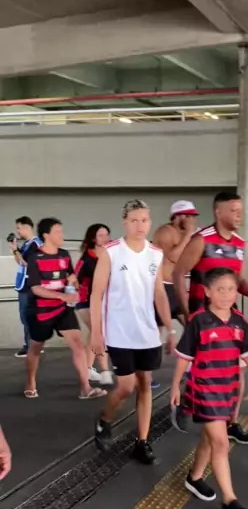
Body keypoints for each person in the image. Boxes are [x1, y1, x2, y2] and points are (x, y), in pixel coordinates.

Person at [171, 267, 248, 509]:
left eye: (231, 289)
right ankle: (230, 500)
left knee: (210, 438)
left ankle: (194, 477)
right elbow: (184, 357)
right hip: (204, 388)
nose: (227, 294)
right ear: (207, 292)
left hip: (228, 388)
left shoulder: (239, 320)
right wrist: (174, 386)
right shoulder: (199, 320)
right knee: (221, 442)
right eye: (220, 289)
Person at [173, 190, 248, 445]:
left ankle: (230, 422)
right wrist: (188, 314)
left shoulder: (240, 244)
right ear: (218, 212)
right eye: (234, 211)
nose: (239, 215)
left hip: (230, 320)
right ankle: (187, 402)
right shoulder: (201, 240)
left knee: (236, 373)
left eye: (240, 211)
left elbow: (239, 281)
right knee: (203, 371)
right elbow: (179, 273)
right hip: (203, 320)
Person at [91, 199, 175, 464]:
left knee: (145, 384)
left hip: (147, 332)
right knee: (126, 386)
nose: (140, 225)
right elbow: (96, 294)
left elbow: (159, 293)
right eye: (135, 220)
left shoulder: (155, 254)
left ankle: (142, 441)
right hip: (118, 332)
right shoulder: (111, 252)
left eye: (145, 220)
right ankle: (105, 419)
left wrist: (170, 328)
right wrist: (96, 332)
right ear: (125, 222)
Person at [24, 218, 106, 401]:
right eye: (58, 231)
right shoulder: (34, 257)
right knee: (36, 348)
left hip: (63, 310)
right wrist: (62, 296)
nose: (62, 235)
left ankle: (85, 388)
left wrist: (74, 283)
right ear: (46, 235)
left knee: (77, 344)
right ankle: (30, 382)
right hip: (40, 311)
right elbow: (36, 288)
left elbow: (71, 276)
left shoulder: (64, 255)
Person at [152, 200, 198, 399]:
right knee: (157, 332)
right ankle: (146, 373)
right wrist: (189, 235)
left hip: (177, 287)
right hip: (161, 286)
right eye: (186, 215)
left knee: (192, 324)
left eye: (192, 216)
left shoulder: (186, 234)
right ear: (176, 216)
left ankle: (189, 366)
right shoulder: (165, 231)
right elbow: (172, 256)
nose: (190, 220)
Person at [74, 223, 113, 386]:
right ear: (93, 239)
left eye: (107, 234)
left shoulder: (112, 254)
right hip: (85, 301)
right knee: (99, 333)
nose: (105, 238)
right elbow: (75, 278)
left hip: (104, 302)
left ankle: (87, 368)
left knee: (94, 335)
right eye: (101, 235)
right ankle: (105, 371)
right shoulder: (86, 258)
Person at [8, 216, 42, 358]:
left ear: (27, 227)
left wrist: (16, 250)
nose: (18, 231)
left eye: (19, 228)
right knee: (25, 317)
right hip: (24, 284)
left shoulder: (35, 244)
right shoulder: (28, 244)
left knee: (28, 317)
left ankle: (31, 346)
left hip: (30, 285)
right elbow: (20, 261)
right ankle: (32, 345)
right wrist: (15, 249)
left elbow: (28, 263)